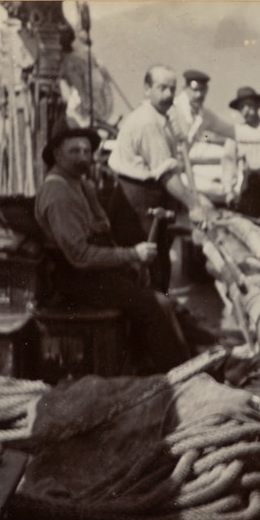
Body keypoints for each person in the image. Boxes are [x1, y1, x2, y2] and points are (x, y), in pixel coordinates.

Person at [34, 125, 190, 373]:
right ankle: (182, 375)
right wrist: (132, 254)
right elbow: (79, 256)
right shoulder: (58, 192)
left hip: (95, 272)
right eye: (74, 151)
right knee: (151, 304)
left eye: (86, 151)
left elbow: (103, 233)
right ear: (57, 155)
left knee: (164, 300)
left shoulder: (80, 185)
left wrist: (130, 263)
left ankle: (173, 361)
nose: (83, 156)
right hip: (76, 280)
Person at [106, 65, 214, 293]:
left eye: (172, 89)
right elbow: (167, 174)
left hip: (147, 202)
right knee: (146, 274)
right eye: (161, 88)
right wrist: (194, 206)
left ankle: (158, 317)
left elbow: (180, 139)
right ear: (147, 89)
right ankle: (152, 323)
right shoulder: (148, 122)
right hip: (136, 204)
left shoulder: (161, 116)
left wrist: (173, 118)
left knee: (158, 267)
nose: (167, 95)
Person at [169, 69, 236, 196]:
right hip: (169, 168)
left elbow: (230, 130)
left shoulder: (203, 114)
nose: (199, 95)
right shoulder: (174, 109)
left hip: (185, 165)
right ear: (185, 89)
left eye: (202, 90)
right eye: (195, 90)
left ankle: (229, 191)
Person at [221, 86, 260, 217]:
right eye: (242, 108)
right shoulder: (236, 132)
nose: (246, 111)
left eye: (249, 105)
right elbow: (228, 162)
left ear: (257, 105)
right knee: (248, 219)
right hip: (250, 183)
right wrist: (229, 191)